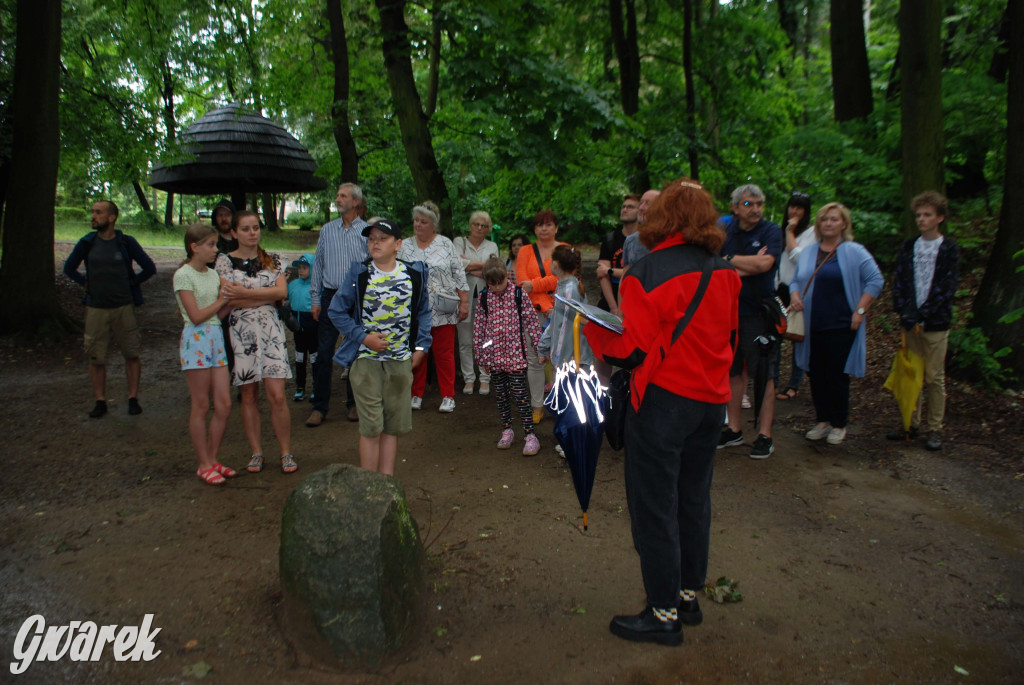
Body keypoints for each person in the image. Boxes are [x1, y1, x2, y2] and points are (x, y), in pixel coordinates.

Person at [583, 178, 741, 646]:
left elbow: (629, 349)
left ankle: (663, 613)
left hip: (663, 403)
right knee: (694, 500)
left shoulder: (647, 273)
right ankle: (687, 596)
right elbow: (729, 340)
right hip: (711, 403)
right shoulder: (726, 271)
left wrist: (593, 329)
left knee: (655, 507)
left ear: (662, 219)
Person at [328, 219, 432, 476]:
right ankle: (368, 485)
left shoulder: (414, 275)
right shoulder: (359, 274)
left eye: (382, 238)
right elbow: (336, 311)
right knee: (371, 426)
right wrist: (363, 337)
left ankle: (386, 485)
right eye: (371, 238)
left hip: (400, 363)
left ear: (397, 244)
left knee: (391, 427)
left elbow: (424, 312)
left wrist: (421, 348)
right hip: (366, 362)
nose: (375, 242)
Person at [789, 202, 883, 445]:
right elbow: (796, 281)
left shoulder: (854, 251)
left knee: (835, 374)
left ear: (843, 224)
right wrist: (795, 294)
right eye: (824, 219)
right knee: (815, 372)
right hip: (812, 324)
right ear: (819, 224)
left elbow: (875, 280)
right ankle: (822, 420)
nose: (828, 223)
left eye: (834, 219)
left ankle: (839, 423)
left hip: (841, 324)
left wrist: (860, 310)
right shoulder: (809, 251)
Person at [216, 211, 297, 474]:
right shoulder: (224, 262)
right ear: (234, 233)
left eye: (256, 228)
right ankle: (256, 452)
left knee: (276, 394)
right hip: (242, 333)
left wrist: (244, 293)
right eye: (246, 228)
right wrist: (263, 295)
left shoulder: (272, 260)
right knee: (249, 394)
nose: (252, 233)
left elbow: (281, 292)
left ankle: (285, 452)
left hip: (271, 331)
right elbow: (229, 300)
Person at [63, 200, 156, 418]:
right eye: (92, 212)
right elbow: (69, 267)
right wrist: (84, 282)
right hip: (96, 308)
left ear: (112, 217)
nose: (93, 216)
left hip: (124, 307)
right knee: (96, 357)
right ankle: (100, 401)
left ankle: (133, 398)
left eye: (98, 212)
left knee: (132, 354)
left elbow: (149, 267)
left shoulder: (125, 242)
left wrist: (132, 283)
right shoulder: (87, 243)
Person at [887, 191, 959, 451]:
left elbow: (946, 286)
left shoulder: (949, 249)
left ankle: (935, 428)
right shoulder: (909, 246)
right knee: (912, 374)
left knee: (934, 377)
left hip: (936, 323)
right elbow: (901, 283)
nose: (922, 219)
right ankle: (910, 424)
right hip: (910, 322)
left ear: (939, 217)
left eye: (927, 214)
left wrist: (924, 312)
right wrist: (904, 311)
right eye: (918, 215)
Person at [717, 184, 782, 459]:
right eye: (748, 204)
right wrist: (743, 264)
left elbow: (764, 265)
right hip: (728, 313)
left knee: (765, 372)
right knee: (733, 371)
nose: (755, 209)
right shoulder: (723, 228)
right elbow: (712, 263)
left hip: (759, 313)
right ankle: (734, 429)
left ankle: (765, 434)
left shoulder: (771, 231)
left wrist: (729, 261)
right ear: (734, 208)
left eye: (759, 203)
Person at [173, 224, 234, 485]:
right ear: (194, 247)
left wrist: (229, 301)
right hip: (195, 340)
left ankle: (212, 458)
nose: (215, 249)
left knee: (224, 404)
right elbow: (196, 316)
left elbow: (216, 316)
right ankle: (203, 463)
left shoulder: (212, 275)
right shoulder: (183, 275)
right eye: (210, 245)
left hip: (215, 337)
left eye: (215, 244)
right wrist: (222, 301)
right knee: (200, 405)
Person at [397, 201, 469, 413]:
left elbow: (459, 274)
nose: (418, 224)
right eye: (416, 220)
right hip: (414, 310)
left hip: (443, 308)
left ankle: (448, 395)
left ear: (433, 225)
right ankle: (415, 394)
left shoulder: (446, 244)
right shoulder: (405, 246)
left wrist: (464, 301)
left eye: (423, 221)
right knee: (418, 350)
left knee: (444, 353)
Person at [306, 183, 368, 427]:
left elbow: (370, 267)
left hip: (356, 297)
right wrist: (314, 299)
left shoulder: (366, 232)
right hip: (330, 296)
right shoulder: (327, 230)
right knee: (324, 352)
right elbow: (318, 265)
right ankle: (319, 407)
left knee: (356, 351)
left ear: (355, 202)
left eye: (343, 196)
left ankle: (354, 404)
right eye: (337, 195)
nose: (338, 199)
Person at [473, 257, 543, 455]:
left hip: (516, 358)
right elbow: (480, 330)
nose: (496, 287)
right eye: (491, 284)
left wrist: (539, 349)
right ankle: (507, 430)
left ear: (507, 276)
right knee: (502, 396)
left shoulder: (519, 294)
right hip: (495, 359)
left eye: (500, 282)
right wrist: (483, 356)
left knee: (521, 396)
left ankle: (530, 435)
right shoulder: (485, 299)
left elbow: (531, 323)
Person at [516, 209, 568, 424]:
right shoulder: (525, 251)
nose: (543, 228)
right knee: (534, 361)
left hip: (560, 313)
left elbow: (566, 278)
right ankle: (537, 406)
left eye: (548, 224)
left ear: (556, 227)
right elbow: (522, 283)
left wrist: (536, 284)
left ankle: (557, 404)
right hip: (533, 314)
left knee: (559, 361)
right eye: (539, 225)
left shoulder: (565, 249)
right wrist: (545, 301)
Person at [775, 192, 817, 402]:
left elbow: (799, 258)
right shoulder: (779, 231)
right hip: (780, 288)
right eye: (792, 206)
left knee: (797, 337)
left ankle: (795, 383)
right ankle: (772, 379)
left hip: (799, 290)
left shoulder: (811, 233)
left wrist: (790, 231)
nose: (795, 211)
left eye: (800, 208)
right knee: (776, 334)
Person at [454, 211, 499, 396]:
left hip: (486, 298)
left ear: (488, 229)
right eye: (476, 224)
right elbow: (456, 265)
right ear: (470, 225)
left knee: (485, 340)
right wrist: (483, 265)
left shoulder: (492, 245)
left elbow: (494, 270)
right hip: (462, 297)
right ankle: (469, 378)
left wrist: (469, 265)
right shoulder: (458, 242)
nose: (480, 228)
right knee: (465, 341)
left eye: (484, 226)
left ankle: (485, 378)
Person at [538, 245, 593, 370]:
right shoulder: (566, 286)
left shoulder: (569, 290)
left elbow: (565, 327)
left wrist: (554, 354)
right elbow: (562, 319)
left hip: (571, 360)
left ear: (555, 264)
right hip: (570, 358)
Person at [596, 194, 640, 320]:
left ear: (640, 211)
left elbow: (638, 273)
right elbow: (601, 274)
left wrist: (610, 271)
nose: (625, 210)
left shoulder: (645, 241)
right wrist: (614, 307)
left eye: (630, 207)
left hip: (634, 303)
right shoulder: (610, 239)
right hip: (609, 303)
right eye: (623, 207)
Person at [287, 254, 318, 402]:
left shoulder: (317, 286)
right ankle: (300, 387)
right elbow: (285, 301)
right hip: (298, 330)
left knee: (315, 359)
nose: (301, 270)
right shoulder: (293, 285)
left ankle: (317, 386)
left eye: (305, 268)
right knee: (299, 359)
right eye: (299, 267)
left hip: (313, 330)